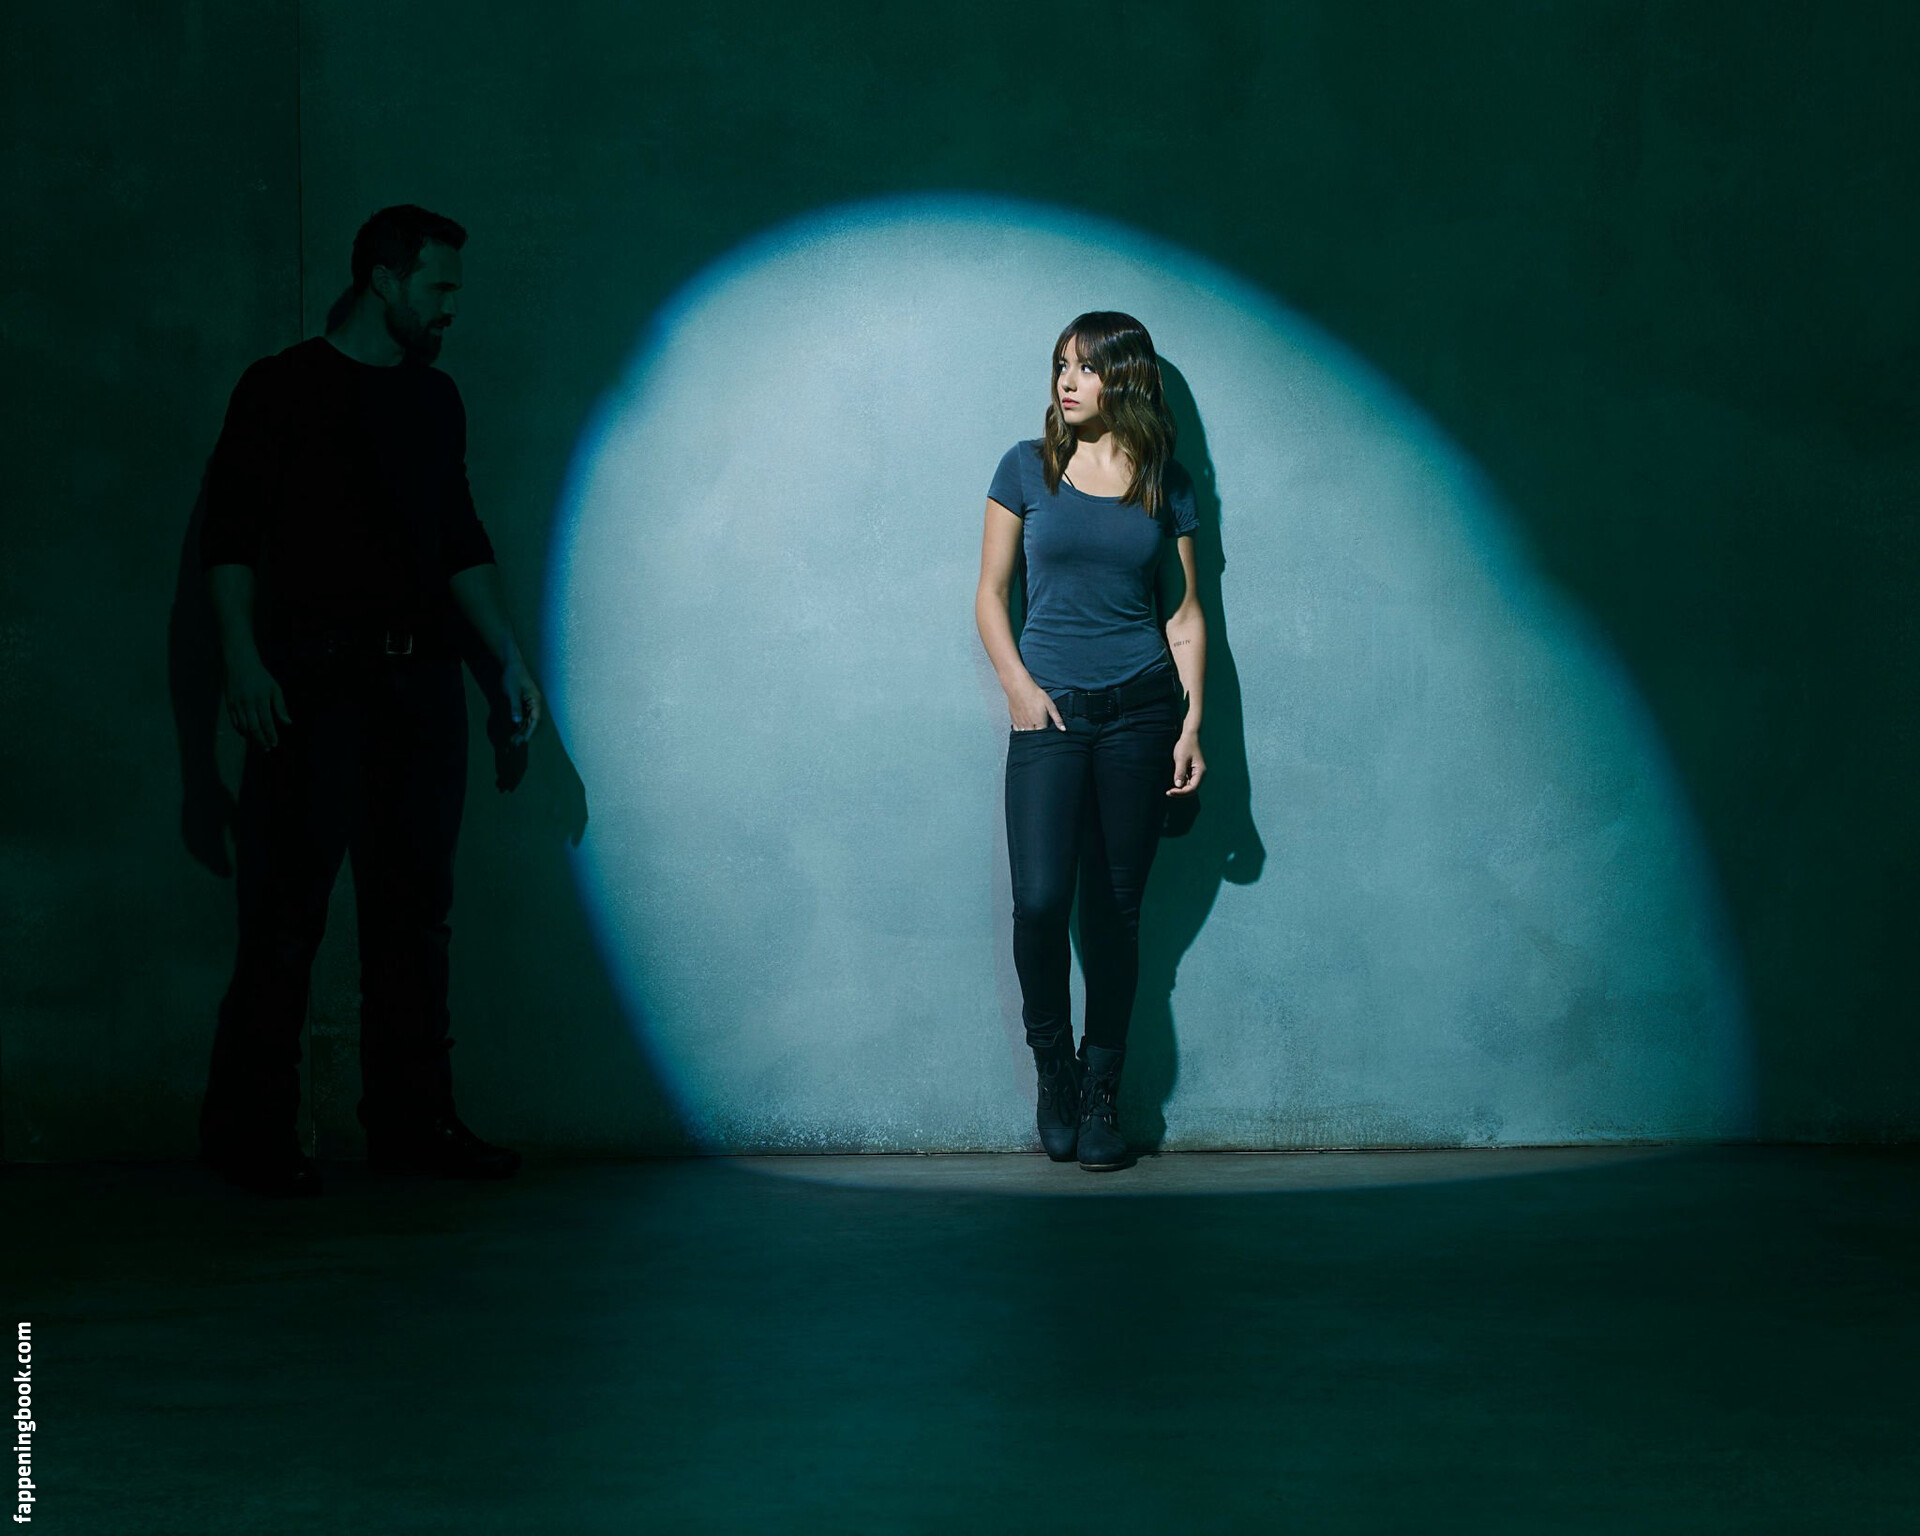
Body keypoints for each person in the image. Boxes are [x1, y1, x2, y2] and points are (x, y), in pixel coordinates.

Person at [197, 204, 544, 1197]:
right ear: (384, 279)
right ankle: (253, 1138)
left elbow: (460, 538)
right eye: (438, 287)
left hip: (420, 688)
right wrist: (241, 663)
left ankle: (414, 1123)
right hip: (311, 685)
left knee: (415, 916)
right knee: (286, 917)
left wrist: (507, 659)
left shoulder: (434, 398)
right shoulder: (281, 388)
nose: (450, 308)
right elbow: (229, 538)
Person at [974, 311, 1206, 1171]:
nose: (1067, 382)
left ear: (1126, 378)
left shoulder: (1164, 482)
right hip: (1050, 713)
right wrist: (1019, 688)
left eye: (1086, 368)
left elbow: (1184, 613)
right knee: (1041, 902)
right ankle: (1055, 1073)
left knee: (1114, 912)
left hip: (1142, 713)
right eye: (1061, 366)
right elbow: (991, 594)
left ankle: (1103, 1090)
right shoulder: (1025, 467)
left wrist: (1191, 724)